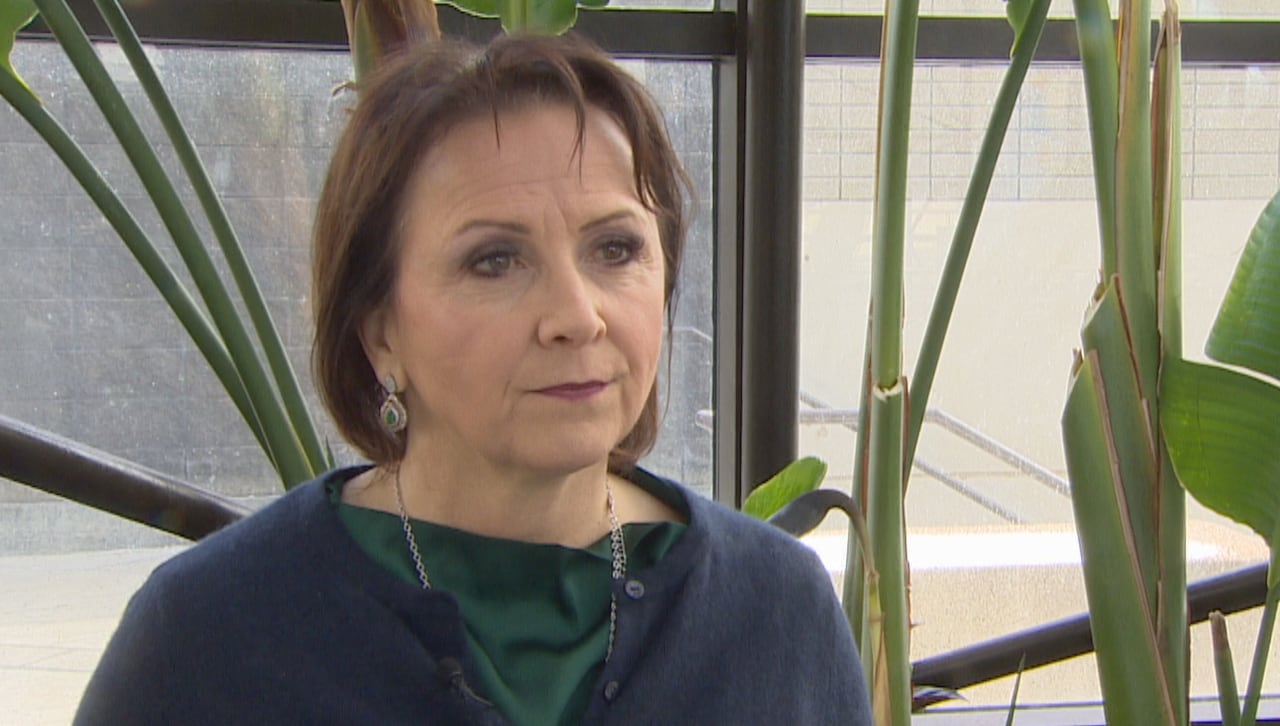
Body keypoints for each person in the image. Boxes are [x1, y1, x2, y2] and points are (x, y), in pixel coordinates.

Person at [75, 33, 871, 725]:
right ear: (379, 330)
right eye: (495, 260)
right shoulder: (210, 637)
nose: (578, 315)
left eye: (616, 249)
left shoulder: (776, 612)